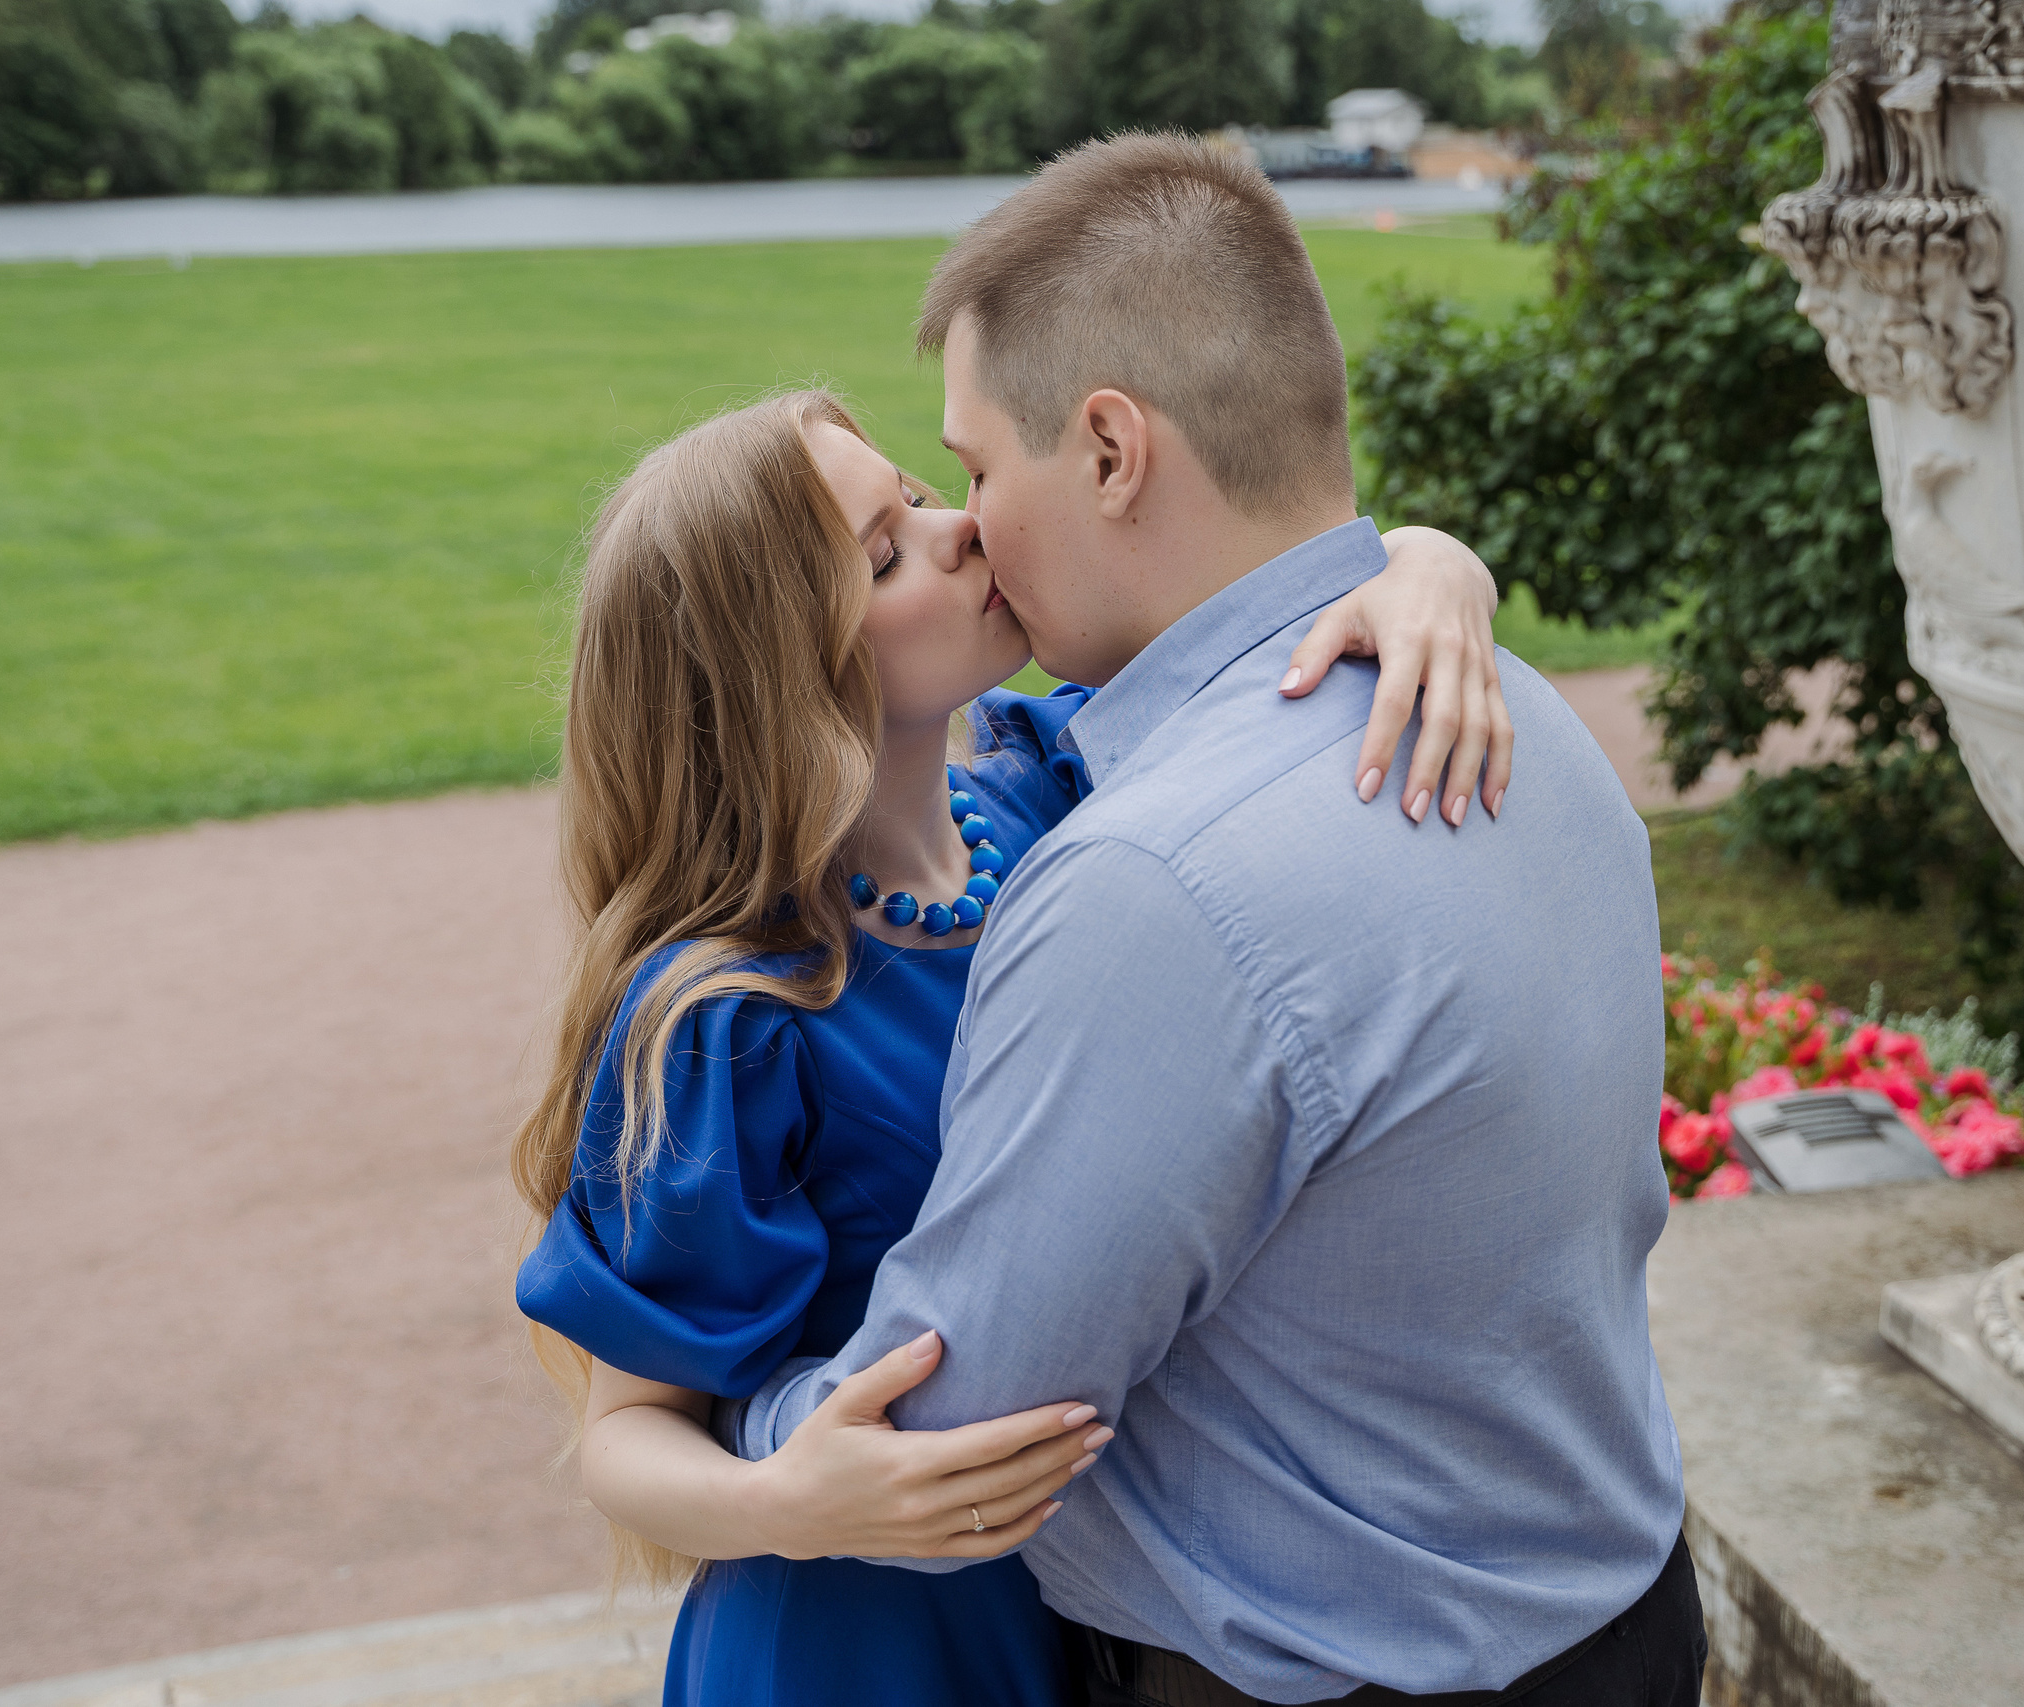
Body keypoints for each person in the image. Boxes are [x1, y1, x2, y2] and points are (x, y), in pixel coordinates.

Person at [720, 135, 1704, 1706]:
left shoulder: (1154, 882)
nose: (967, 527)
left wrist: (737, 1437)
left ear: (1109, 451)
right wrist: (1436, 558)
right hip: (1622, 1616)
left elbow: (954, 1441)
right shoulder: (1519, 708)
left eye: (975, 470)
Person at [512, 383, 1519, 1707]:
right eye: (884, 554)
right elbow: (625, 1433)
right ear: (778, 674)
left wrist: (1438, 568)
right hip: (870, 1650)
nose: (961, 533)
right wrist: (792, 1499)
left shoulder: (1053, 789)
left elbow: (1288, 593)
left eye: (922, 499)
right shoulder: (729, 1019)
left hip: (1127, 1609)